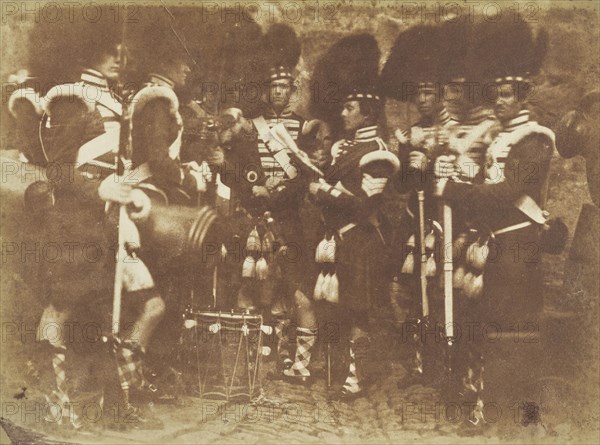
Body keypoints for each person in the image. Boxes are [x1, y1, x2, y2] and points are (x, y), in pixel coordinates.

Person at [433, 17, 552, 425]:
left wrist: (457, 193)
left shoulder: (536, 138)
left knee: (514, 332)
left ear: (523, 96)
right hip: (491, 246)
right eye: (496, 94)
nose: (500, 101)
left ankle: (522, 413)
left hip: (518, 246)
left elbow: (505, 194)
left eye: (508, 95)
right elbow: (484, 186)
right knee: (482, 327)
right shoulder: (497, 137)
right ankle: (483, 407)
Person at [308, 34, 400, 399]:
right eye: (343, 107)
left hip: (360, 241)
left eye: (349, 108)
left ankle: (356, 378)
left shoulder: (377, 152)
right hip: (336, 240)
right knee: (338, 310)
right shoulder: (340, 147)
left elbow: (364, 206)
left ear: (366, 112)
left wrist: (325, 192)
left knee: (358, 312)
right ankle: (343, 371)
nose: (342, 113)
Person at [380, 24, 458, 388]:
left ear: (442, 93)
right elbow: (400, 186)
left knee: (443, 290)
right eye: (418, 94)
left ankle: (445, 361)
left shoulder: (456, 131)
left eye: (430, 92)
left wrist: (438, 158)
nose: (423, 100)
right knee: (408, 287)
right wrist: (405, 160)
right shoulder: (410, 132)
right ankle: (417, 362)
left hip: (447, 220)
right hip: (416, 218)